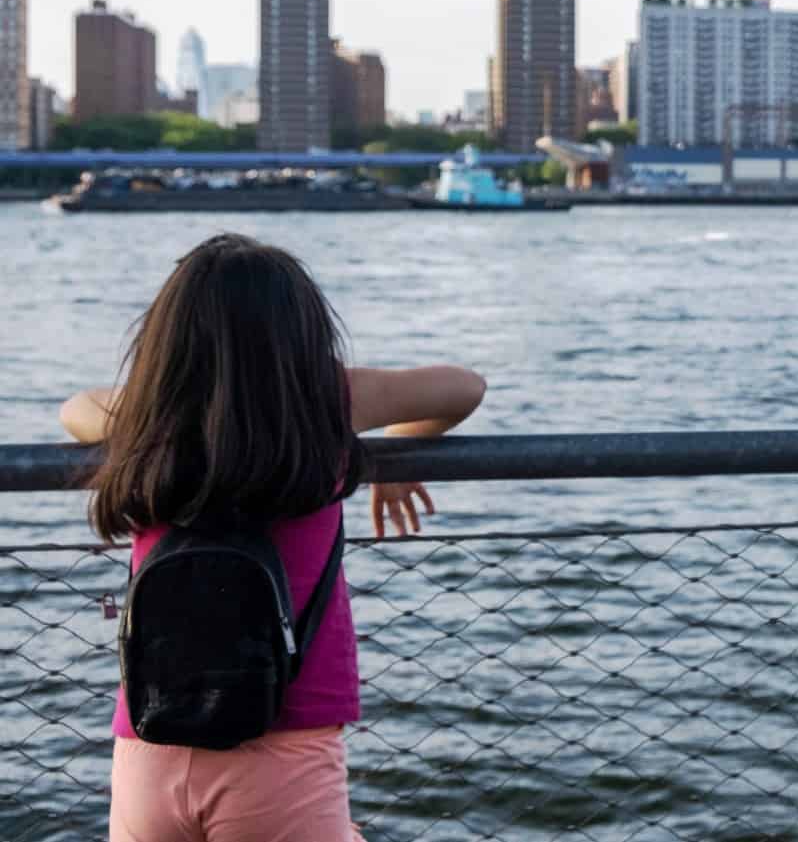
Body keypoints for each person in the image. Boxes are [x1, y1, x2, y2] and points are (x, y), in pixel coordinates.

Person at [62, 233, 488, 842]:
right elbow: (465, 387)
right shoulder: (329, 400)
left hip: (150, 738)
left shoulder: (149, 417)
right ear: (303, 328)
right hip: (283, 745)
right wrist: (392, 448)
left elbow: (74, 409)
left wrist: (146, 402)